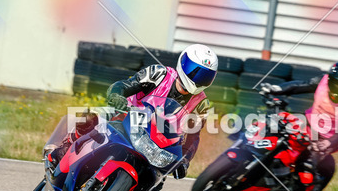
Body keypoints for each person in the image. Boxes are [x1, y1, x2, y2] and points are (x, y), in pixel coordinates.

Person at [49, 44, 217, 181]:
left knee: (156, 182)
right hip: (125, 117)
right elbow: (126, 85)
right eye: (195, 71)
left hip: (159, 145)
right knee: (90, 116)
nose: (198, 79)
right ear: (183, 63)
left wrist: (185, 160)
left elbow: (193, 137)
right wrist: (117, 95)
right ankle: (65, 147)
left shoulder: (201, 104)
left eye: (205, 76)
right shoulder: (159, 73)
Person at [260, 61, 338, 191]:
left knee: (308, 161)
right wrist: (277, 89)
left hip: (334, 135)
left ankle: (296, 187)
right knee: (279, 126)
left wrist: (328, 142)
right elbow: (300, 85)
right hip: (312, 121)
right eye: (337, 83)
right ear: (330, 80)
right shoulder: (322, 81)